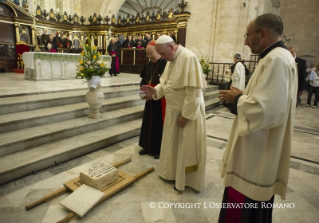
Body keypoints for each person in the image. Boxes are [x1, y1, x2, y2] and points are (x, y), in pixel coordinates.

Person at [218, 13, 298, 223]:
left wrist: (238, 100)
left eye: (248, 35)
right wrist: (243, 97)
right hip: (256, 148)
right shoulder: (275, 57)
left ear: (262, 34)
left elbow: (268, 110)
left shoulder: (276, 60)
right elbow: (269, 100)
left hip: (256, 155)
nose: (245, 41)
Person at [140, 35, 207, 192]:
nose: (162, 58)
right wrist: (154, 90)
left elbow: (194, 93)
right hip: (172, 111)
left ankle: (185, 180)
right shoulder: (171, 59)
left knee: (185, 146)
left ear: (171, 47)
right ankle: (171, 173)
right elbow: (165, 83)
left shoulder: (188, 58)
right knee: (172, 144)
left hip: (185, 112)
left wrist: (186, 115)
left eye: (163, 54)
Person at [138, 40, 167, 159]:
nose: (149, 57)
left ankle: (157, 150)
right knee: (147, 123)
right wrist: (141, 93)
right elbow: (143, 82)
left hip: (160, 100)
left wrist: (154, 93)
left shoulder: (165, 64)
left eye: (151, 53)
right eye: (147, 54)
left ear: (158, 51)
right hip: (149, 100)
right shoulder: (148, 64)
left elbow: (167, 85)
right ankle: (146, 146)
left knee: (158, 125)